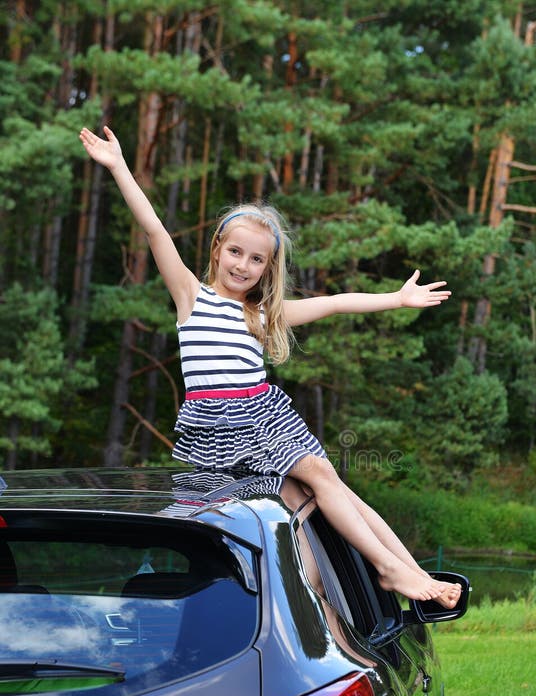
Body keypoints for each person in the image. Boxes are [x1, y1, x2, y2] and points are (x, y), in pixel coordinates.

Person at [79, 125, 461, 607]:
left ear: (267, 268)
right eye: (236, 252)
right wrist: (119, 167)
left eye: (256, 259)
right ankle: (389, 572)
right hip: (218, 427)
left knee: (328, 480)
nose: (243, 265)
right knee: (319, 487)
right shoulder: (190, 296)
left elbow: (336, 303)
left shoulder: (260, 315)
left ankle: (407, 570)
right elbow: (155, 229)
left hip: (262, 415)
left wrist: (398, 300)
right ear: (217, 249)